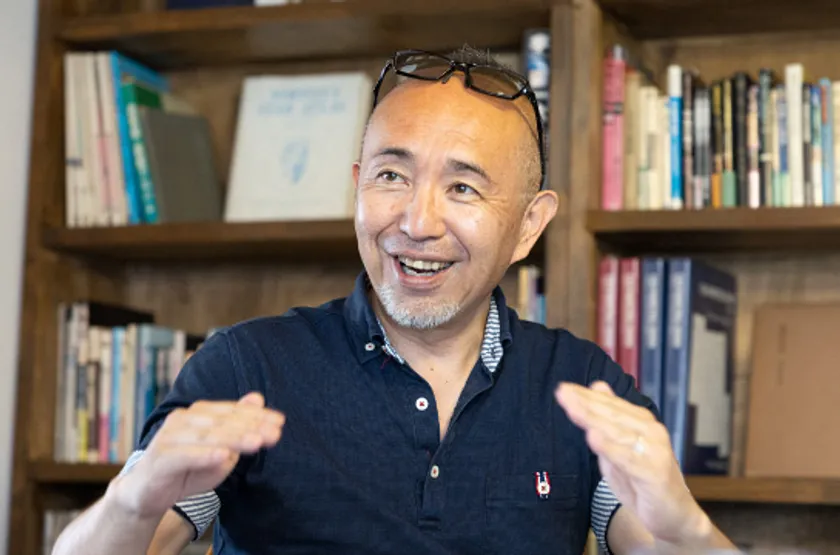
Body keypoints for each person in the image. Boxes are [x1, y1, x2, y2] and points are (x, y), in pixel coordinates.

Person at [52, 46, 736, 555]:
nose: (416, 221)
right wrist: (132, 501)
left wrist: (691, 530)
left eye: (463, 188)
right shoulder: (247, 368)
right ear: (357, 187)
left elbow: (661, 545)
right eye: (390, 176)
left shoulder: (584, 389)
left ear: (529, 226)